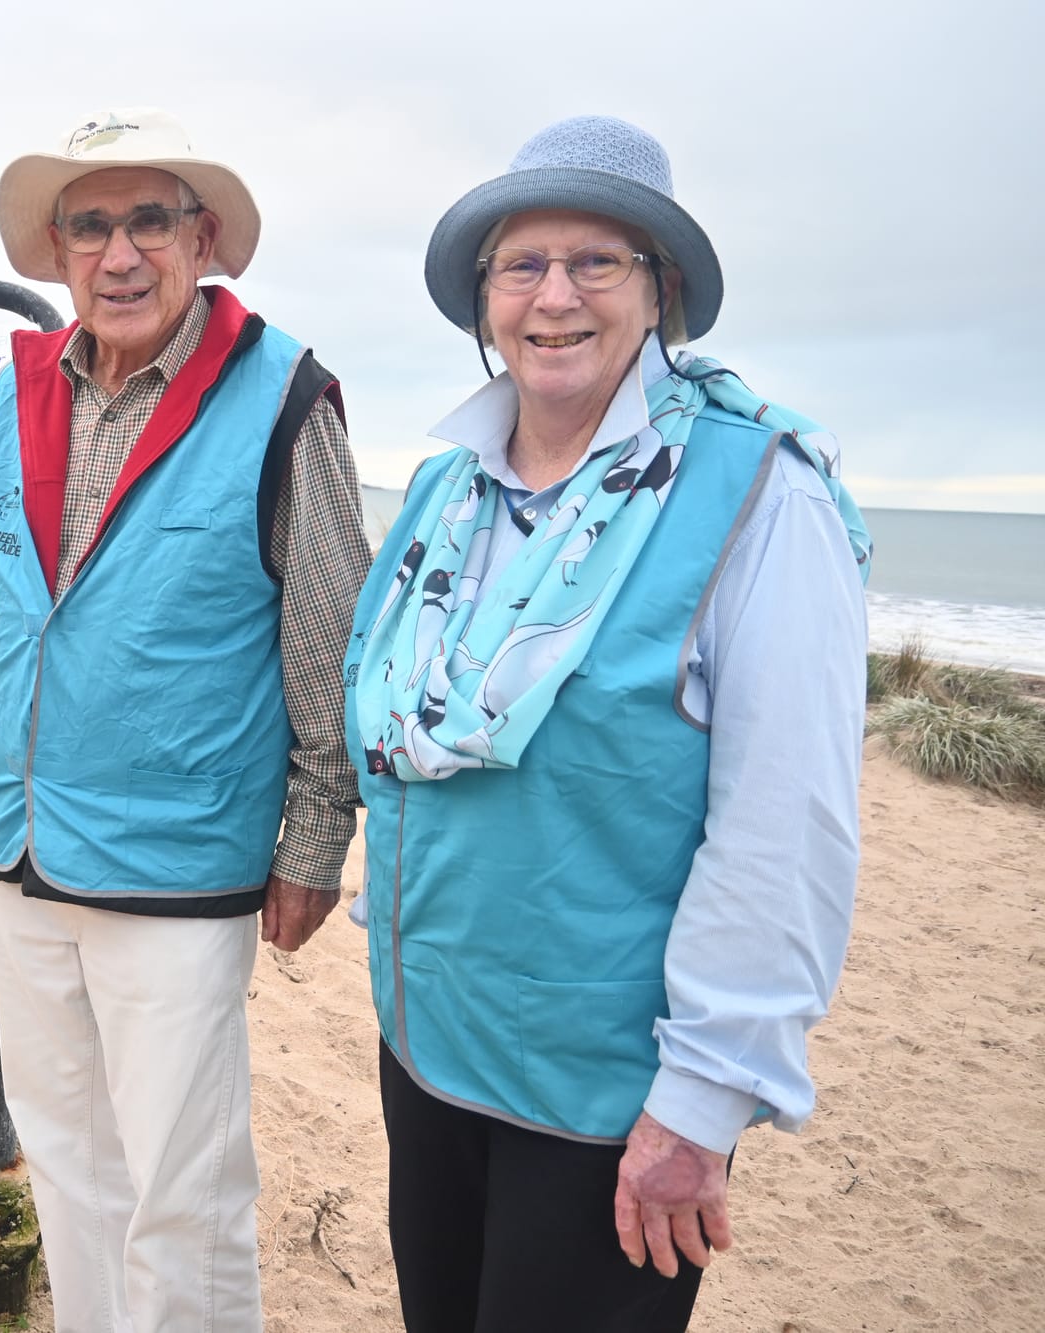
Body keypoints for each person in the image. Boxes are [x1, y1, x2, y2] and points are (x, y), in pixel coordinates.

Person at [343, 115, 870, 1331]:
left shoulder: (757, 494)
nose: (554, 296)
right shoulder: (444, 489)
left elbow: (781, 826)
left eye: (597, 262)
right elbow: (394, 730)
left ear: (661, 292)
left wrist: (702, 1099)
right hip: (427, 1043)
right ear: (484, 298)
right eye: (521, 265)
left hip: (606, 1093)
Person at [0, 108, 369, 1330]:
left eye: (148, 222)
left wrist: (313, 839)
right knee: (66, 1163)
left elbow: (331, 637)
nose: (119, 255)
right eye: (90, 227)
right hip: (21, 844)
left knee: (184, 1189)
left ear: (200, 238)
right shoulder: (12, 392)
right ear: (57, 253)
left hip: (179, 858)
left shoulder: (283, 397)